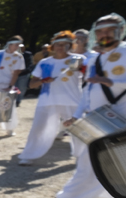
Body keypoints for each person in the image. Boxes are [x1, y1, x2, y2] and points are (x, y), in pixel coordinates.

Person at [32, 13, 126, 198]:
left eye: (110, 30)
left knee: (94, 161)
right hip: (100, 118)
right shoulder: (95, 59)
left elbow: (107, 84)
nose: (105, 34)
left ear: (120, 31)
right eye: (100, 31)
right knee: (101, 161)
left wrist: (112, 82)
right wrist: (76, 115)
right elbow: (88, 91)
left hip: (121, 116)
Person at [17, 32, 85, 166]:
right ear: (53, 46)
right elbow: (32, 84)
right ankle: (28, 155)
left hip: (72, 99)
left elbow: (89, 75)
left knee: (78, 129)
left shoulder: (78, 59)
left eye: (65, 45)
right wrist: (43, 81)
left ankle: (82, 156)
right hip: (47, 100)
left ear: (71, 46)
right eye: (58, 45)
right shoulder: (44, 63)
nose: (61, 47)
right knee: (39, 127)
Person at [0, 36, 27, 135]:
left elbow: (16, 73)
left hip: (6, 83)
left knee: (7, 106)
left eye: (18, 45)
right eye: (16, 45)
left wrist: (10, 86)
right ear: (10, 44)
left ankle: (9, 129)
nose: (17, 47)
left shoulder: (19, 56)